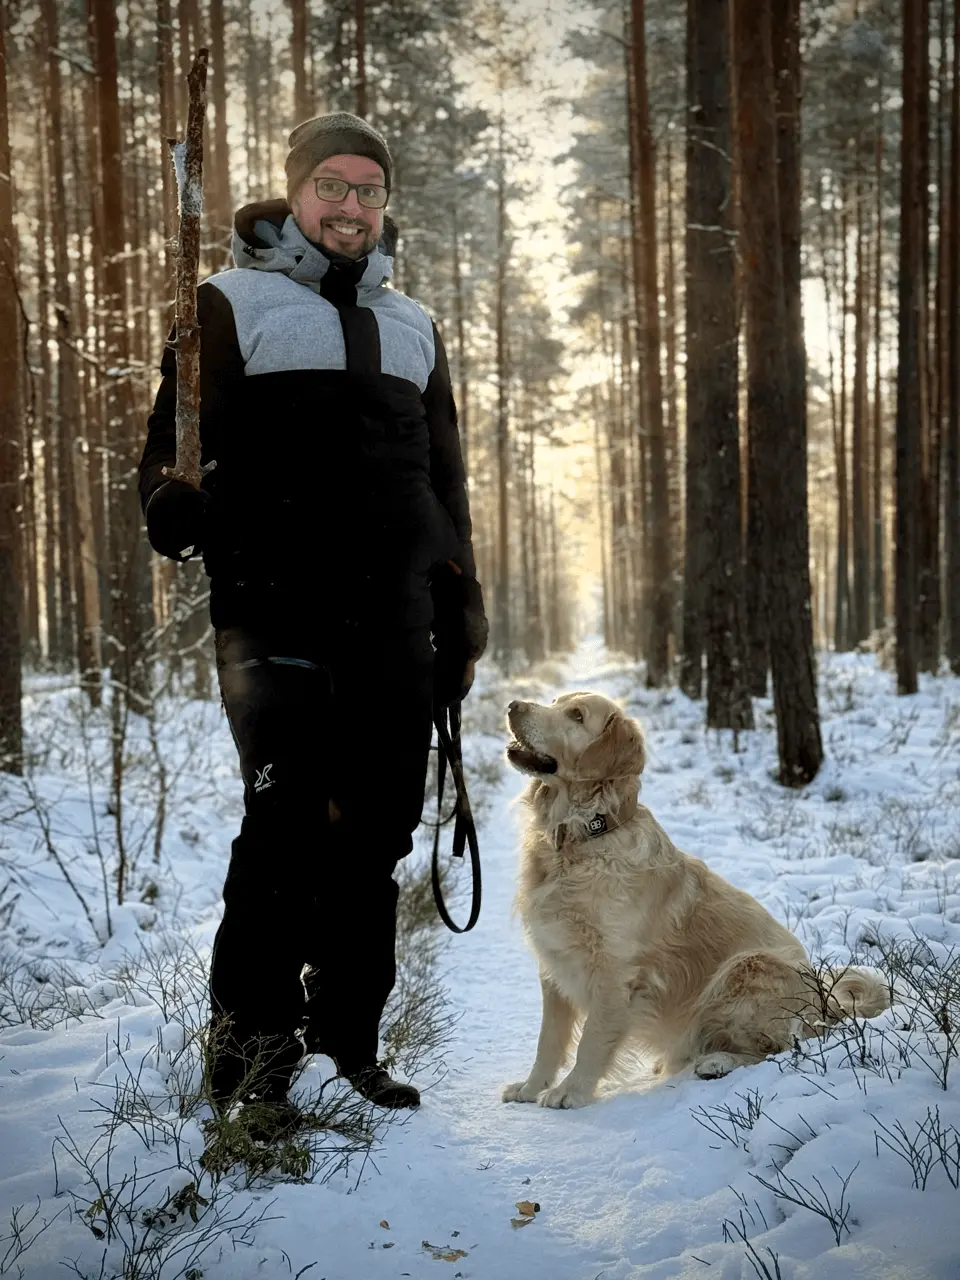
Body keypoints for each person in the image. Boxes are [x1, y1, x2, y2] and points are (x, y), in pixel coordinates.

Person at [139, 112, 487, 1120]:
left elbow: (444, 483)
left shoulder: (414, 324)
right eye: (330, 184)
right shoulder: (223, 303)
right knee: (287, 824)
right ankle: (252, 1058)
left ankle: (349, 1036)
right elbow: (167, 447)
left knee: (372, 833)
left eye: (368, 189)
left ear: (385, 205)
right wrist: (173, 501)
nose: (350, 204)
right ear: (294, 193)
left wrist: (461, 613)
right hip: (271, 616)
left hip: (393, 623)